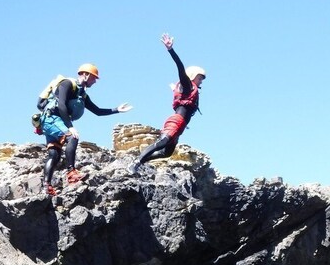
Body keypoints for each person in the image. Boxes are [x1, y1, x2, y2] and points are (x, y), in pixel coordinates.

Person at [39, 63, 131, 195]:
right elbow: (61, 105)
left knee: (54, 154)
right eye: (94, 78)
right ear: (86, 75)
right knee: (72, 137)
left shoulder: (82, 94)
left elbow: (97, 111)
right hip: (52, 119)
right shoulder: (67, 84)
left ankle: (46, 187)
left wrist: (117, 110)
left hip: (52, 122)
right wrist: (70, 127)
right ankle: (71, 173)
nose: (95, 81)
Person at [133, 34, 205, 170]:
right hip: (176, 121)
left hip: (181, 125)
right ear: (192, 76)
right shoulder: (187, 84)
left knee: (167, 152)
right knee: (162, 141)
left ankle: (142, 160)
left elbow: (182, 96)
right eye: (200, 78)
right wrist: (170, 49)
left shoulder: (187, 89)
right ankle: (136, 162)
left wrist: (173, 89)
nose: (201, 81)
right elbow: (180, 67)